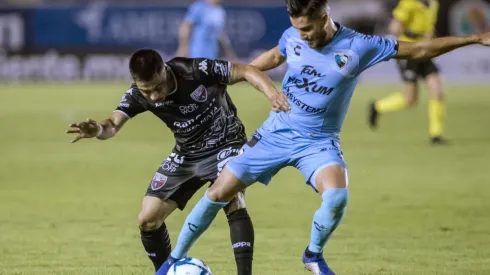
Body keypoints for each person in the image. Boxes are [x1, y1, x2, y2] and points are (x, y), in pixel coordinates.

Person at [155, 0, 490, 274]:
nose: (302, 35)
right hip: (275, 133)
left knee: (337, 197)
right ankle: (172, 262)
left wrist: (473, 39)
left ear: (324, 16)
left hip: (319, 141)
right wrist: (228, 80)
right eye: (297, 28)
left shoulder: (360, 46)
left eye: (308, 28)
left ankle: (312, 256)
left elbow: (418, 50)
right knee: (218, 193)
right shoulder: (292, 36)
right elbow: (271, 58)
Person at [65, 49, 289, 275]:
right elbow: (112, 125)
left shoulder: (195, 70)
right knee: (148, 219)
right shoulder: (138, 94)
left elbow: (246, 70)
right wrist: (98, 129)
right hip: (187, 154)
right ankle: (165, 271)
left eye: (157, 87)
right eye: (146, 90)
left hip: (226, 143)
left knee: (232, 200)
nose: (153, 96)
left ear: (164, 69)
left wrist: (273, 95)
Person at [369, 0, 447, 144]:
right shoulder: (409, 2)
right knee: (411, 100)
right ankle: (378, 106)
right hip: (409, 51)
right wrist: (413, 34)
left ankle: (436, 135)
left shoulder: (433, 3)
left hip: (425, 50)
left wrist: (429, 37)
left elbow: (429, 28)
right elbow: (394, 27)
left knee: (437, 87)